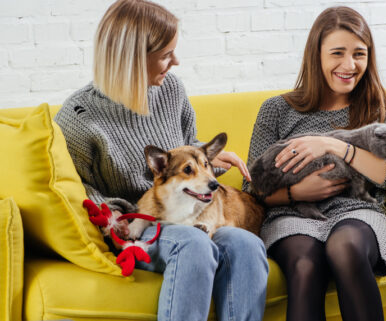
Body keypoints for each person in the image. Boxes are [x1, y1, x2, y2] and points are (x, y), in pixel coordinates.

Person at [54, 1, 268, 320]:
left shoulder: (170, 90)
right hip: (140, 226)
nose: (176, 62)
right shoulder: (79, 117)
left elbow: (187, 144)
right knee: (194, 244)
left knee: (245, 244)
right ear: (133, 59)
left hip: (187, 210)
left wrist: (212, 159)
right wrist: (118, 219)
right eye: (167, 55)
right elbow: (79, 190)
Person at [243, 6, 386, 321]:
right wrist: (298, 194)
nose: (349, 65)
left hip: (358, 213)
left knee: (345, 247)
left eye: (359, 54)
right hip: (290, 214)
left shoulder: (381, 106)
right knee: (306, 264)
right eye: (337, 53)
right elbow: (251, 187)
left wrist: (336, 146)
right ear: (316, 55)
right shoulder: (276, 110)